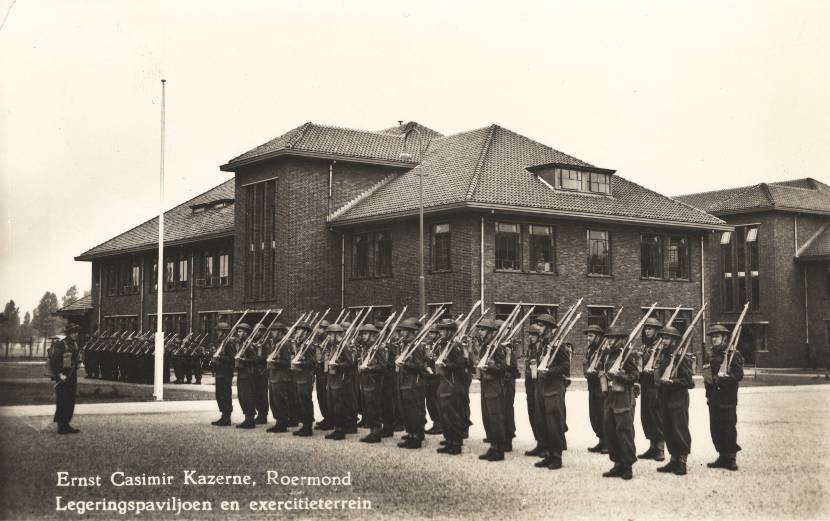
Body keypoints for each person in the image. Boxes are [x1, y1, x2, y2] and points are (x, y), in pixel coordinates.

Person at [601, 326, 640, 480]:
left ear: (619, 340)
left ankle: (627, 465)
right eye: (609, 338)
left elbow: (635, 375)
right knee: (610, 430)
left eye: (612, 338)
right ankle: (617, 463)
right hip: (610, 397)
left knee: (624, 431)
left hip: (623, 397)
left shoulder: (627, 356)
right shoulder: (607, 355)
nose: (609, 341)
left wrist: (621, 375)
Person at [655, 326, 694, 475]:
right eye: (663, 338)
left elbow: (689, 382)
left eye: (666, 338)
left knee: (679, 429)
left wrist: (673, 382)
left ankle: (682, 461)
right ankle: (673, 460)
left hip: (678, 399)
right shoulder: (664, 356)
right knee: (668, 429)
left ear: (674, 341)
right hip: (665, 398)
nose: (663, 341)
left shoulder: (681, 357)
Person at [704, 324, 743, 471]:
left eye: (717, 336)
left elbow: (739, 375)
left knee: (728, 428)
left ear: (724, 338)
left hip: (727, 398)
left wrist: (724, 378)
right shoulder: (710, 354)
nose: (714, 339)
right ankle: (722, 456)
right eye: (713, 337)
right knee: (716, 428)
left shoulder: (733, 354)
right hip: (714, 398)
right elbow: (707, 373)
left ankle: (731, 458)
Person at [534, 317, 570, 470]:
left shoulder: (558, 346)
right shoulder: (542, 345)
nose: (538, 328)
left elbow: (566, 366)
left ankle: (557, 456)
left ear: (548, 328)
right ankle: (548, 453)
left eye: (541, 326)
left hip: (554, 387)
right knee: (543, 421)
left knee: (554, 422)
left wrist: (550, 371)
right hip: (543, 387)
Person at [476, 319, 508, 461]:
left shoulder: (497, 347)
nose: (480, 332)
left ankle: (499, 449)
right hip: (485, 385)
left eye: (483, 329)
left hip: (494, 386)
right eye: (480, 329)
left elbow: (503, 369)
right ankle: (492, 446)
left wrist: (489, 367)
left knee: (495, 417)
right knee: (487, 417)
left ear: (489, 331)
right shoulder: (485, 346)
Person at [434, 318, 468, 455]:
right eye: (440, 329)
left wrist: (446, 365)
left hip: (453, 384)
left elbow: (460, 364)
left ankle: (456, 443)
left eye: (443, 329)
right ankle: (449, 440)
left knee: (453, 415)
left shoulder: (455, 346)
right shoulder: (444, 345)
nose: (441, 332)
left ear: (449, 331)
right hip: (445, 382)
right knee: (445, 415)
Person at [396, 318, 427, 449]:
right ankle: (410, 434)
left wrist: (406, 364)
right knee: (407, 410)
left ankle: (416, 437)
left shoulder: (416, 346)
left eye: (403, 330)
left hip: (414, 383)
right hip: (405, 382)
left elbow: (420, 366)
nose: (401, 333)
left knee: (414, 410)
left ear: (410, 332)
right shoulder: (404, 344)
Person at [638, 317, 666, 461]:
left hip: (655, 385)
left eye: (650, 329)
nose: (647, 331)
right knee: (646, 416)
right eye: (646, 329)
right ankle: (652, 447)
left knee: (657, 416)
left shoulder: (661, 346)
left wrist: (654, 370)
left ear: (657, 331)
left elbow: (663, 365)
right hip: (645, 383)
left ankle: (660, 448)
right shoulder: (644, 346)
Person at [326, 322, 358, 440]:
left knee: (339, 406)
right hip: (333, 380)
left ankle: (340, 430)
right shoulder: (334, 346)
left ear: (336, 334)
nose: (328, 337)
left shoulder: (344, 346)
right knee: (334, 405)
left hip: (341, 380)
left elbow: (350, 363)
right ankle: (337, 428)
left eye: (330, 334)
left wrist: (337, 365)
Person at [49, 324, 82, 434]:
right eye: (73, 332)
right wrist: (59, 374)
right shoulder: (61, 344)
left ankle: (66, 423)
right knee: (62, 400)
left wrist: (78, 363)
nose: (76, 334)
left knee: (70, 400)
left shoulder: (75, 344)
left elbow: (76, 358)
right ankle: (61, 425)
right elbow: (54, 361)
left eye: (77, 332)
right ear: (69, 333)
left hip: (72, 375)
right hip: (62, 376)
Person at [357, 324, 385, 443]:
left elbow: (383, 366)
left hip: (374, 382)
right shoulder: (365, 348)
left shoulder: (377, 349)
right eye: (363, 334)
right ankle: (373, 430)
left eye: (366, 333)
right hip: (366, 381)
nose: (363, 336)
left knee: (374, 408)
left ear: (372, 335)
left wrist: (369, 368)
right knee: (369, 407)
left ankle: (376, 432)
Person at [583, 324, 607, 454]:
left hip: (600, 386)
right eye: (588, 335)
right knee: (595, 415)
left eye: (591, 335)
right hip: (592, 386)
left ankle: (608, 442)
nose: (588, 338)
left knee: (603, 415)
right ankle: (601, 440)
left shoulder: (604, 350)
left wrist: (597, 371)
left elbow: (606, 367)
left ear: (598, 337)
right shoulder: (590, 350)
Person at [523, 324, 546, 457]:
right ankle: (539, 442)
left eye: (533, 334)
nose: (530, 337)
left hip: (539, 384)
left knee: (540, 415)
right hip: (530, 384)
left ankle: (544, 444)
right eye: (530, 334)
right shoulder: (531, 348)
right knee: (532, 414)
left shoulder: (542, 348)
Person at [290, 322, 316, 437]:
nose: (297, 332)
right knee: (300, 400)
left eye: (299, 330)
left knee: (305, 401)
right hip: (299, 376)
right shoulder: (299, 344)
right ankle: (304, 425)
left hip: (306, 376)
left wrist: (299, 363)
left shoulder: (309, 345)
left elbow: (312, 362)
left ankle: (308, 426)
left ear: (305, 332)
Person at [265, 323, 292, 433]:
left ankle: (282, 423)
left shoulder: (284, 344)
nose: (272, 333)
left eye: (275, 331)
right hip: (274, 375)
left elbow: (287, 362)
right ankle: (278, 421)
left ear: (280, 332)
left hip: (281, 376)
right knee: (273, 400)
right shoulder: (275, 343)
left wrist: (275, 362)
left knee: (280, 400)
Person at [233, 323, 259, 429]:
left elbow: (255, 359)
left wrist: (243, 360)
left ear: (246, 333)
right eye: (238, 331)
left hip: (248, 373)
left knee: (248, 396)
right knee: (242, 396)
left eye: (240, 331)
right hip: (242, 373)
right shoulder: (241, 344)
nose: (238, 334)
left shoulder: (249, 344)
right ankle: (247, 418)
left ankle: (250, 419)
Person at [313, 320, 333, 430]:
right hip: (319, 370)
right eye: (319, 328)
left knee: (325, 396)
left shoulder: (329, 341)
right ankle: (326, 417)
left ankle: (330, 419)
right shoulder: (319, 339)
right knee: (320, 396)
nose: (318, 330)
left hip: (325, 372)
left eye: (321, 328)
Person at [424, 325, 443, 436]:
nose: (430, 335)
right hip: (429, 375)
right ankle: (436, 423)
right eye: (430, 333)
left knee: (435, 401)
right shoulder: (429, 344)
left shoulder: (440, 344)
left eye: (433, 333)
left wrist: (433, 357)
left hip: (436, 376)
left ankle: (439, 424)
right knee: (430, 401)